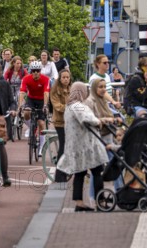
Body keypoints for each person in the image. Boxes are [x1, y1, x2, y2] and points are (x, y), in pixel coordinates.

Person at [56, 82, 111, 211]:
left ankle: (79, 203)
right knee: (97, 171)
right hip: (85, 146)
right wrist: (99, 122)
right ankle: (100, 201)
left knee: (80, 173)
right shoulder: (77, 106)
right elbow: (87, 118)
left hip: (77, 145)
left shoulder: (69, 106)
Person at [85, 78, 123, 191]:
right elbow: (91, 119)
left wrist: (115, 120)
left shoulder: (103, 101)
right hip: (98, 137)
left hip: (107, 137)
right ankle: (95, 195)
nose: (103, 89)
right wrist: (107, 119)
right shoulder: (91, 101)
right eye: (100, 87)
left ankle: (119, 190)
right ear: (94, 88)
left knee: (113, 164)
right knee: (99, 167)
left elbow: (109, 116)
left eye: (104, 87)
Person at [18, 61, 50, 154]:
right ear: (31, 71)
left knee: (41, 123)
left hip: (41, 100)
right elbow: (22, 92)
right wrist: (20, 106)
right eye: (33, 71)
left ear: (40, 71)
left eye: (38, 70)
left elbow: (46, 93)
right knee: (26, 113)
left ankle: (41, 148)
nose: (35, 72)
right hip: (31, 99)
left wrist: (45, 105)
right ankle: (31, 127)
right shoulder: (26, 79)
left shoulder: (45, 79)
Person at [49, 68, 71, 183]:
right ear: (60, 78)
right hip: (60, 121)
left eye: (67, 77)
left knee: (68, 146)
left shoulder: (71, 89)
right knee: (63, 146)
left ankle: (65, 171)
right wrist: (70, 108)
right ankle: (59, 175)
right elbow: (57, 106)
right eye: (64, 77)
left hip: (70, 121)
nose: (66, 79)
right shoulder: (55, 90)